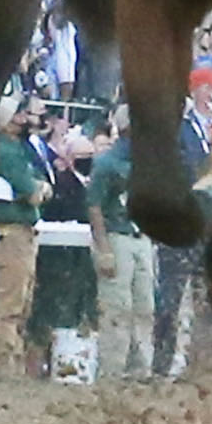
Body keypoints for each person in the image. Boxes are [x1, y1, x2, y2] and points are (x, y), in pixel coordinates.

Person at [91, 103, 155, 381]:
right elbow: (94, 206)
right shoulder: (107, 163)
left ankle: (141, 368)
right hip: (118, 235)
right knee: (117, 306)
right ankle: (112, 371)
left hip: (141, 236)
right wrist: (103, 247)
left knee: (144, 306)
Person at [0, 117, 48, 381]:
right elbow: (33, 192)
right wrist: (39, 189)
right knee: (10, 306)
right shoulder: (7, 152)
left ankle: (11, 367)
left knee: (19, 305)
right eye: (18, 113)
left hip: (18, 234)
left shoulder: (16, 150)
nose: (26, 118)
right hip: (13, 234)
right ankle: (5, 369)